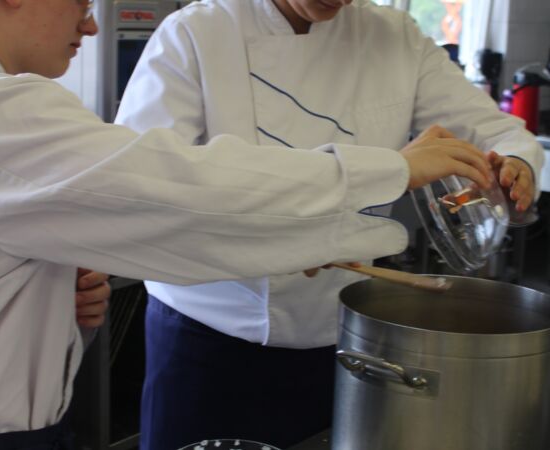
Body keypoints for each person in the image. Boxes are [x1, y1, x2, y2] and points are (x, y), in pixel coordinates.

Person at [115, 0, 544, 448]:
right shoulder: (196, 32)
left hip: (345, 339)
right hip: (210, 341)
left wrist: (514, 164)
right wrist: (288, 230)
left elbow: (495, 131)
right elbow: (146, 188)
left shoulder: (394, 36)